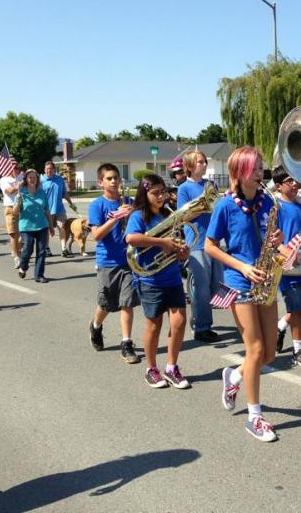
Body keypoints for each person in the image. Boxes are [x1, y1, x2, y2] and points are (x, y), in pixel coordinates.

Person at [205, 146, 284, 442]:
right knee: (254, 350)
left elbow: (274, 239)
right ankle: (255, 417)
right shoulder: (225, 206)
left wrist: (278, 239)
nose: (261, 171)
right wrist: (242, 266)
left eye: (261, 166)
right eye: (255, 167)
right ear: (239, 173)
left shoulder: (269, 202)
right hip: (239, 280)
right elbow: (211, 246)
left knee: (269, 353)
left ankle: (234, 376)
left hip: (265, 280)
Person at [125, 174, 191, 390]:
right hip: (150, 279)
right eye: (155, 193)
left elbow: (177, 241)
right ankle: (151, 368)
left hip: (171, 276)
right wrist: (162, 242)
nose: (161, 196)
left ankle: (172, 367)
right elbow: (131, 239)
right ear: (145, 194)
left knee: (179, 321)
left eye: (163, 191)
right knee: (154, 325)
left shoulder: (169, 214)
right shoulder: (138, 216)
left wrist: (181, 252)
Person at [87, 163, 141, 364]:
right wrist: (116, 217)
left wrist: (134, 211)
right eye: (109, 178)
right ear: (101, 182)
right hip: (107, 261)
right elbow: (97, 235)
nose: (114, 181)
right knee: (107, 304)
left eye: (116, 177)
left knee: (127, 302)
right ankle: (95, 325)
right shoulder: (97, 205)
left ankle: (126, 343)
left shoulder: (128, 201)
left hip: (128, 260)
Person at [272, 166, 301, 367]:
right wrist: (286, 251)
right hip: (287, 265)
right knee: (297, 306)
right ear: (278, 186)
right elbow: (272, 237)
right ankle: (298, 349)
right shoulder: (276, 208)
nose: (294, 184)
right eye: (289, 181)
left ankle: (279, 327)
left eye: (295, 180)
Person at [177, 150, 222, 343]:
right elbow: (183, 216)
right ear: (189, 166)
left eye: (204, 161)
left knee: (216, 286)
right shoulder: (184, 188)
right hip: (196, 242)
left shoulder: (210, 185)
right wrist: (202, 206)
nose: (204, 164)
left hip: (214, 240)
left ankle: (198, 316)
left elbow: (218, 208)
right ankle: (203, 328)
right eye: (200, 162)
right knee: (202, 289)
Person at [15, 169, 54, 283]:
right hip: (26, 226)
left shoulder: (42, 193)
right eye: (30, 177)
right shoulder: (21, 192)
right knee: (27, 249)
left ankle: (39, 275)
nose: (32, 179)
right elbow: (15, 212)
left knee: (42, 251)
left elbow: (47, 210)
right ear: (26, 179)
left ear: (37, 179)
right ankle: (23, 267)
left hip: (42, 225)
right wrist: (18, 201)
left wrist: (51, 226)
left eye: (34, 177)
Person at [41, 161, 75, 258]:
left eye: (51, 169)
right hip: (47, 210)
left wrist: (71, 204)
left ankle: (64, 249)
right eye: (47, 169)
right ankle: (47, 248)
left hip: (59, 209)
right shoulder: (41, 181)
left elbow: (64, 193)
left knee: (62, 227)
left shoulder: (59, 179)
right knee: (47, 229)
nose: (49, 171)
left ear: (54, 170)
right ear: (44, 170)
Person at [0, 167, 22, 268]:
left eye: (17, 168)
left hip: (22, 207)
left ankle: (17, 250)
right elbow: (9, 191)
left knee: (22, 234)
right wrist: (19, 186)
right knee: (13, 234)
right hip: (10, 208)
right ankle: (16, 257)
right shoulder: (4, 179)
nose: (15, 170)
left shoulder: (21, 177)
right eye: (13, 168)